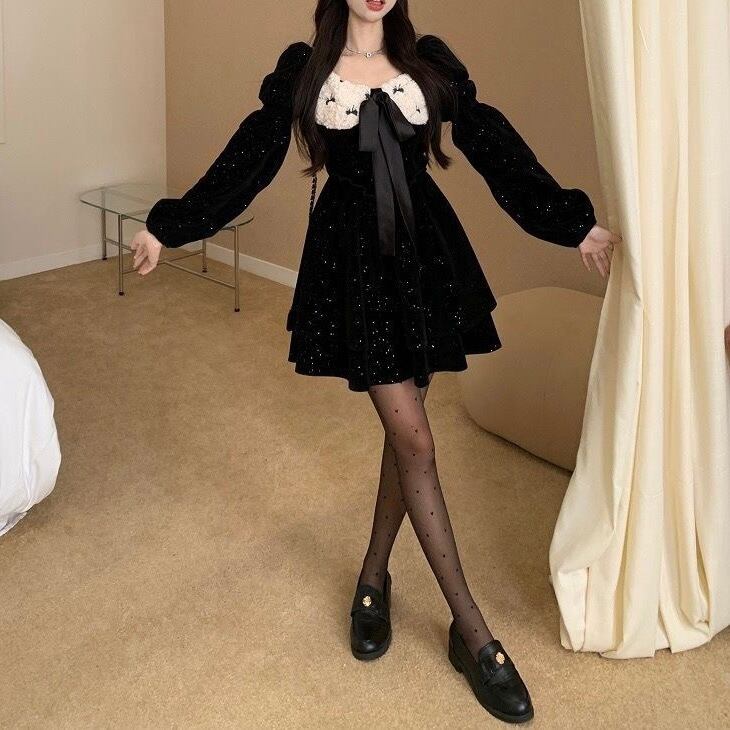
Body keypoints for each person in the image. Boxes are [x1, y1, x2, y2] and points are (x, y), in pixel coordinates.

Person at [131, 0, 620, 723]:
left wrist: (572, 224)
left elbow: (496, 148)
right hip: (353, 265)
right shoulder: (308, 73)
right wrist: (168, 227)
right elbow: (248, 159)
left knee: (404, 432)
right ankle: (473, 633)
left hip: (424, 258)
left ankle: (372, 579)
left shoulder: (428, 64)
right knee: (416, 438)